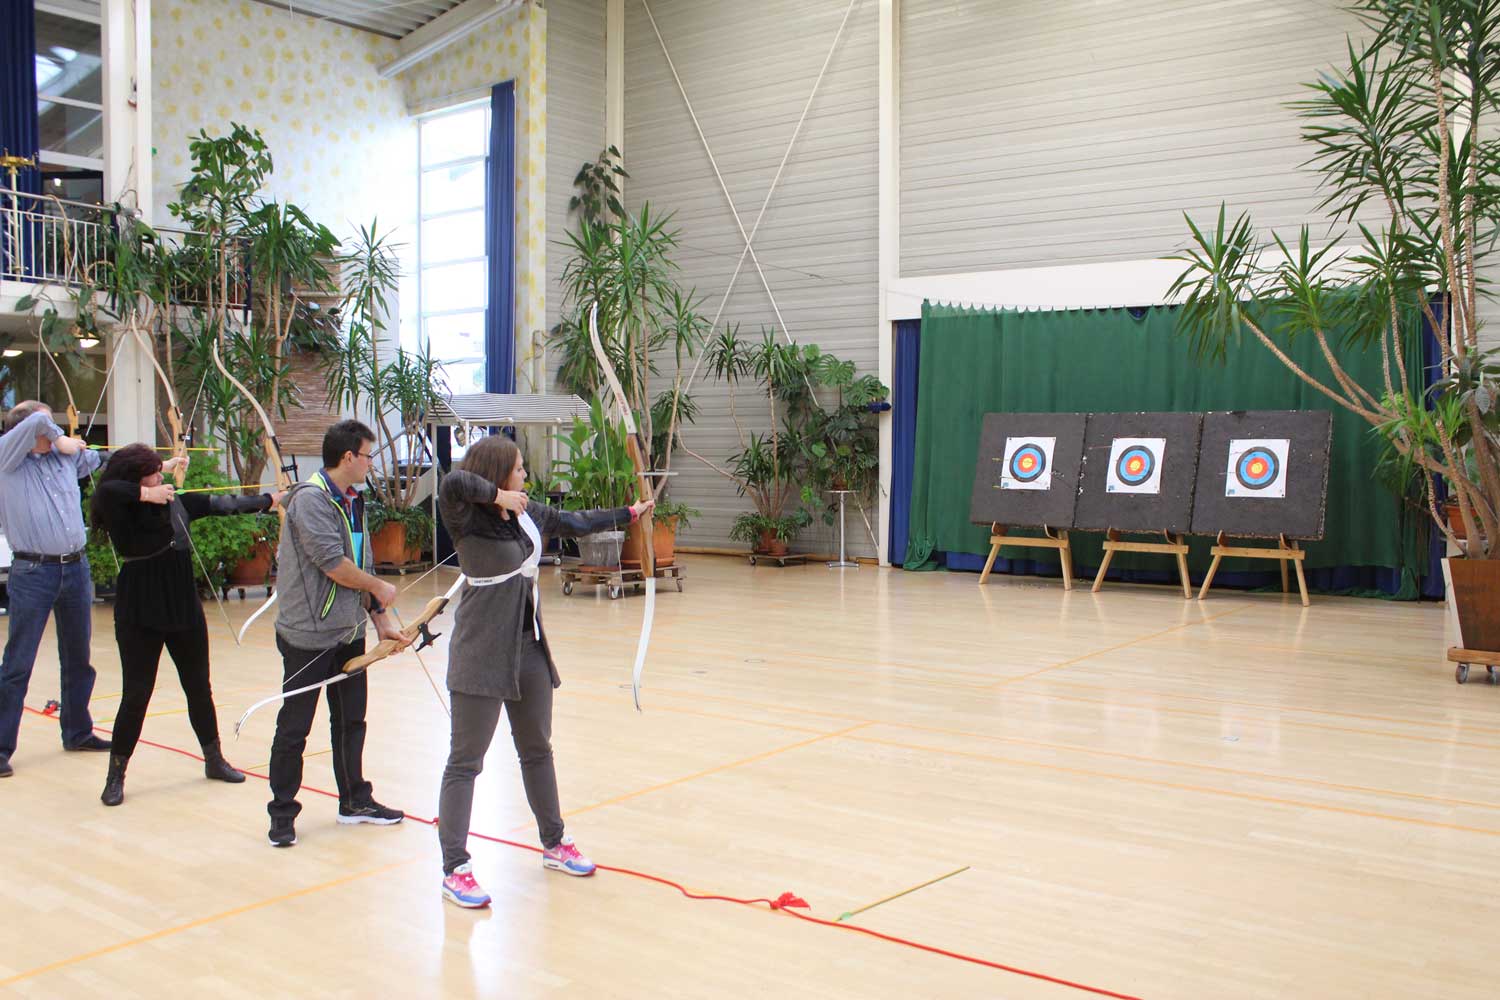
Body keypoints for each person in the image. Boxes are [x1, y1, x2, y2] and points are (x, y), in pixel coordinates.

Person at [435, 434, 653, 907]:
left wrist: (630, 513)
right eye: (518, 470)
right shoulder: (466, 515)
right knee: (465, 761)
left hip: (527, 647)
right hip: (480, 652)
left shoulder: (527, 513)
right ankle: (455, 868)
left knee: (537, 748)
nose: (525, 478)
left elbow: (575, 521)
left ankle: (554, 843)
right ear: (498, 476)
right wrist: (497, 498)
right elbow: (453, 482)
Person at [88, 444, 284, 806]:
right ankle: (115, 775)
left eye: (159, 472)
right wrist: (147, 489)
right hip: (139, 612)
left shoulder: (178, 502)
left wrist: (272, 499)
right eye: (153, 473)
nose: (161, 478)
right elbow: (107, 488)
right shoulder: (120, 506)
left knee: (198, 686)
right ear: (137, 479)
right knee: (136, 694)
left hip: (182, 608)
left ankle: (214, 759)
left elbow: (224, 506)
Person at [266, 420, 409, 848]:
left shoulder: (354, 500)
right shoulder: (310, 501)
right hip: (308, 636)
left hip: (348, 631)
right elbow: (333, 564)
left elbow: (358, 555)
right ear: (348, 457)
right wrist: (377, 586)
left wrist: (381, 618)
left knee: (351, 722)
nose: (371, 462)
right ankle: (282, 815)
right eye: (368, 454)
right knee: (295, 728)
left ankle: (354, 801)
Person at [0, 401, 110, 777]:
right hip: (33, 571)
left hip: (75, 568)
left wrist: (159, 466)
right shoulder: (7, 460)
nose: (52, 432)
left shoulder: (63, 460)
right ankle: (0, 748)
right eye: (47, 429)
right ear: (30, 432)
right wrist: (60, 436)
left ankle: (77, 731)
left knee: (78, 657)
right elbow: (37, 419)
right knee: (18, 663)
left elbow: (101, 460)